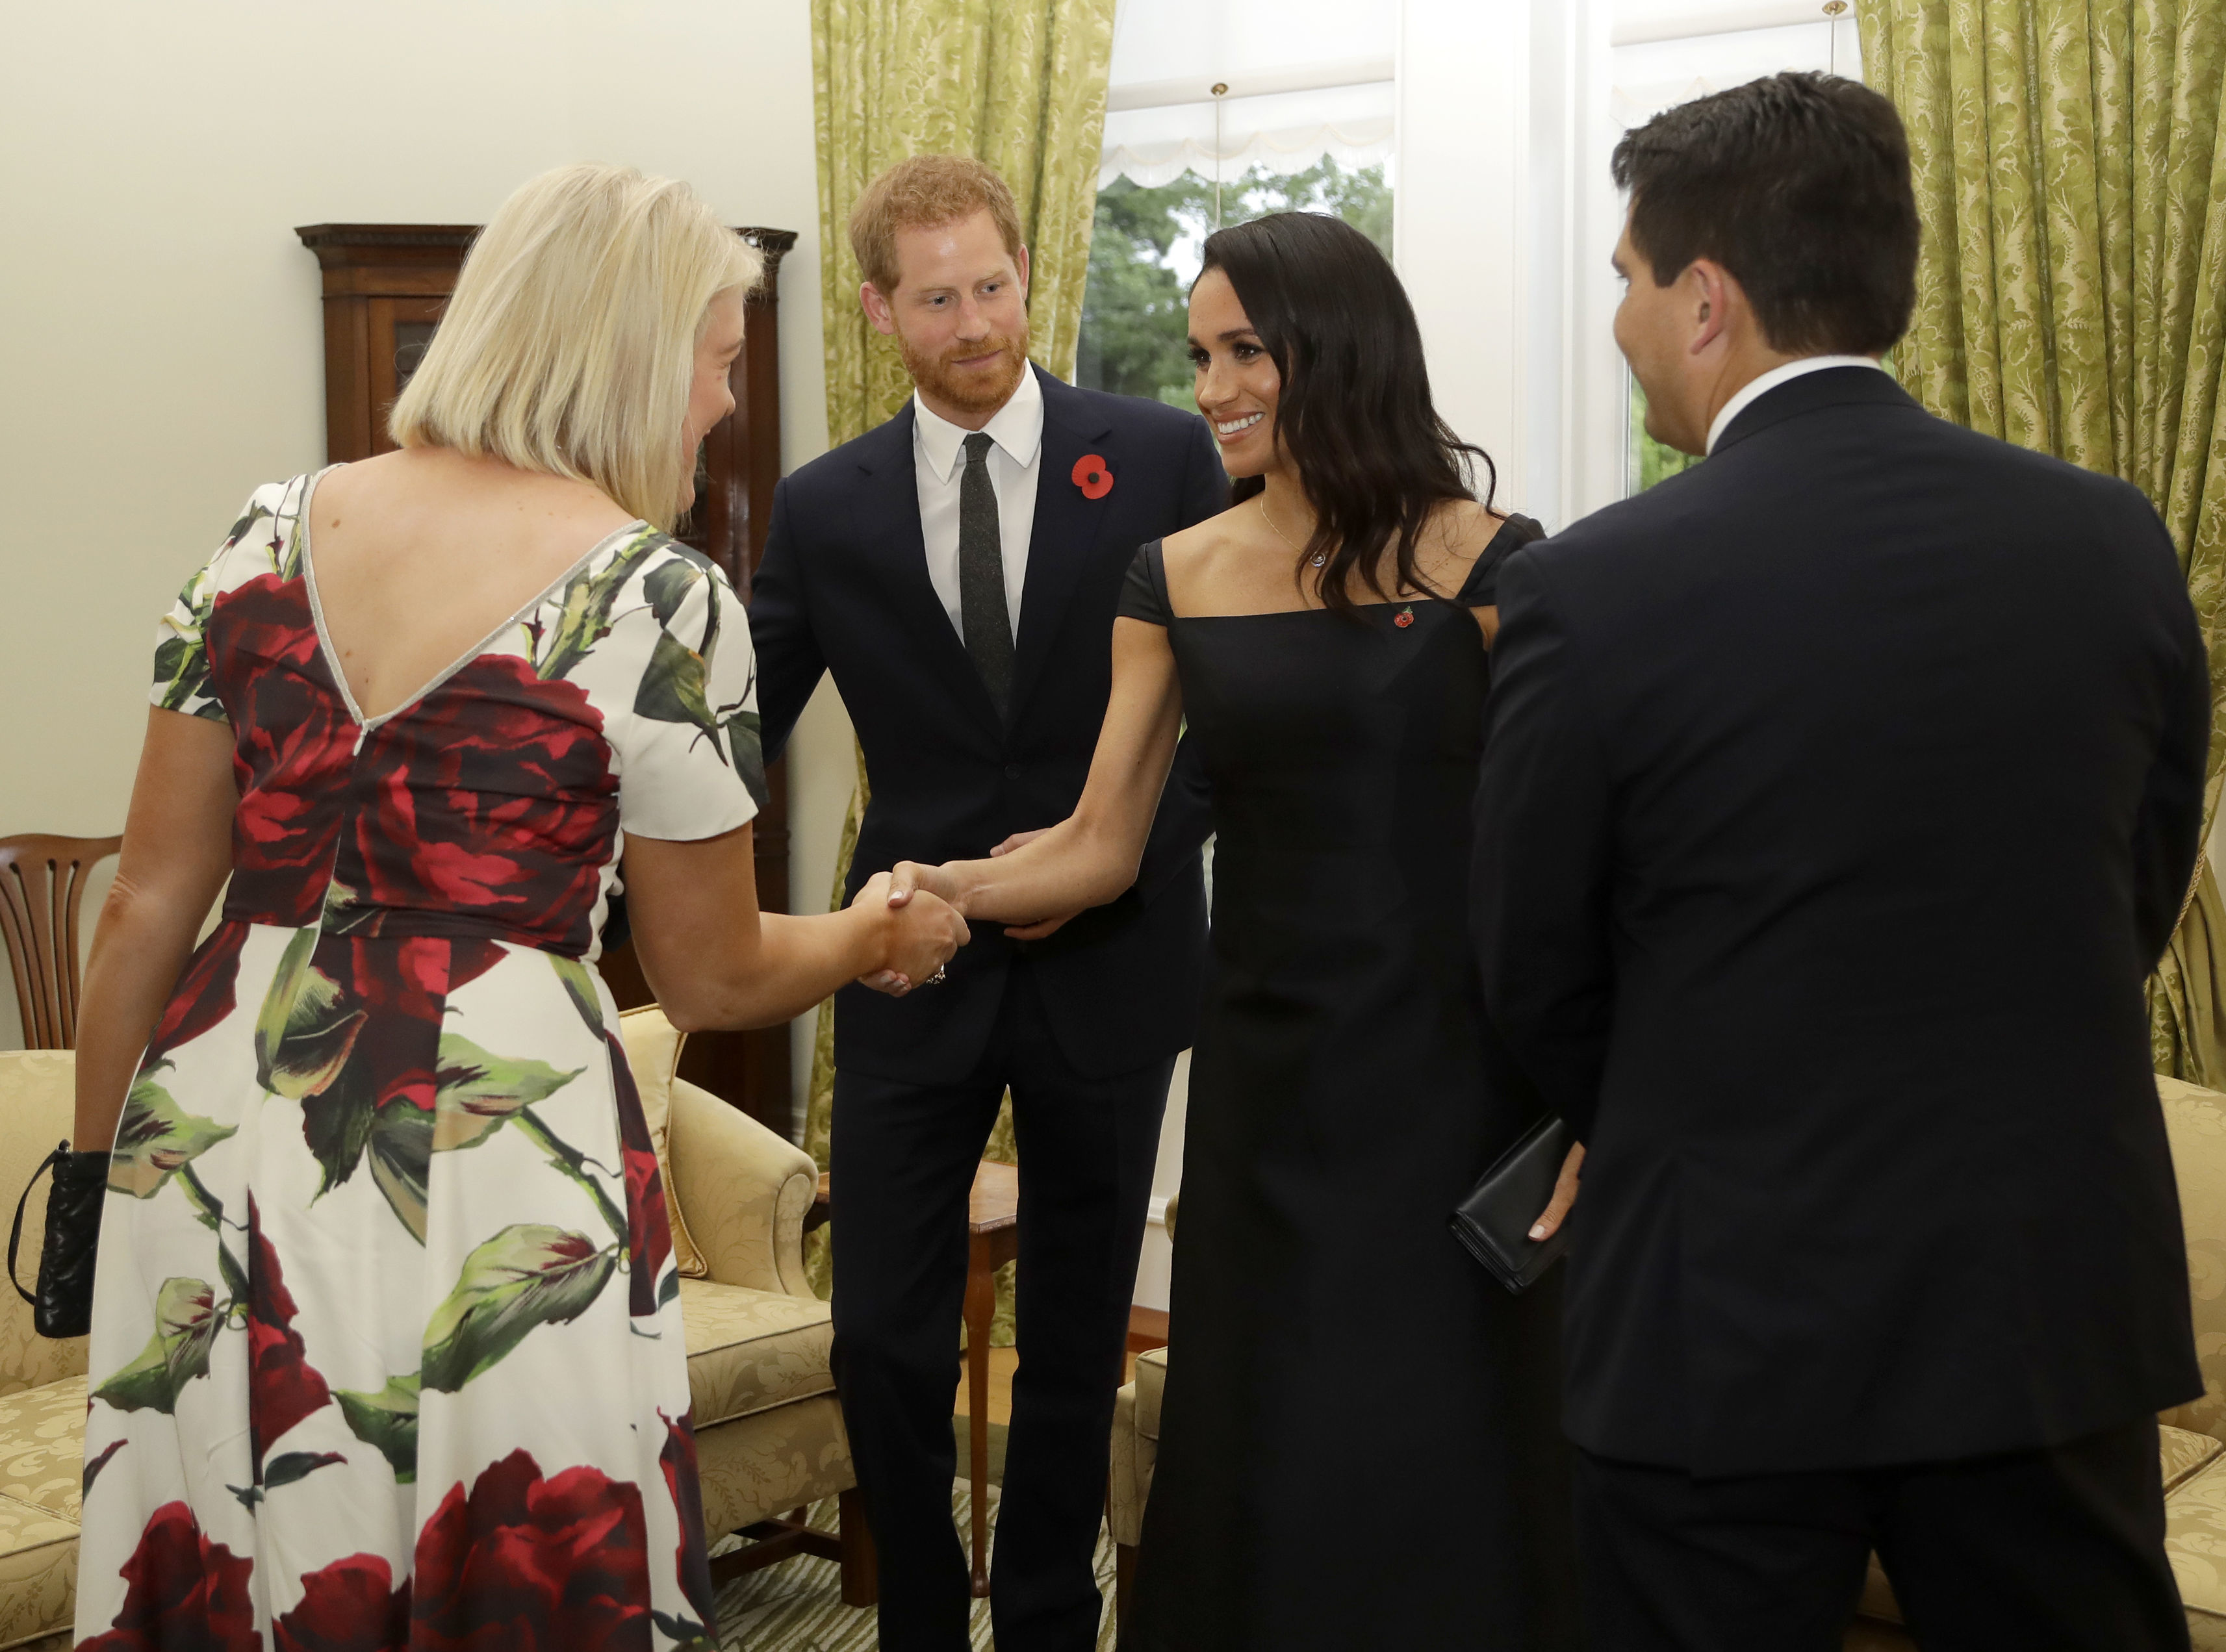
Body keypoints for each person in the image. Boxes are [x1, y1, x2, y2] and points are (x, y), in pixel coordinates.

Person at [66, 163, 967, 1650]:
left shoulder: (260, 533)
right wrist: (880, 935)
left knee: (244, 1552)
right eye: (721, 361)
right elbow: (715, 975)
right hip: (490, 1164)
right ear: (628, 351)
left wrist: (95, 1204)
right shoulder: (657, 598)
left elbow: (145, 904)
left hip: (212, 1151)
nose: (726, 407)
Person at [1472, 71, 2207, 1651]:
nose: (1618, 320)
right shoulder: (2111, 540)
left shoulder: (1592, 592)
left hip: (1718, 1324)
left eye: (1624, 280)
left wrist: (1670, 1111)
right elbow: (2133, 886)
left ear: (1707, 299)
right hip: (2042, 1310)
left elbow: (1535, 967)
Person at [886, 210, 1585, 1651]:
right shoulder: (1178, 572)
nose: (1209, 388)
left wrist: (1600, 1090)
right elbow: (1095, 847)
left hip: (1457, 1081)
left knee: (1442, 1436)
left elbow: (1574, 853)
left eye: (1242, 350)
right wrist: (925, 896)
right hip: (1268, 1085)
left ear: (1338, 346)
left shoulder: (1496, 564)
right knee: (1269, 1429)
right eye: (1202, 355)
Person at [746, 155, 1223, 1651]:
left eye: (994, 285)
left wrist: (1121, 852)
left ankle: (1038, 1621)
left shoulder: (1153, 455)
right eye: (937, 296)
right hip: (910, 962)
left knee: (1076, 1330)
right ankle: (915, 1627)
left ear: (1029, 273)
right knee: (880, 1334)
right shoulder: (825, 506)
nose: (974, 323)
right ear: (882, 310)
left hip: (1115, 954)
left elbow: (1234, 702)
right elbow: (737, 721)